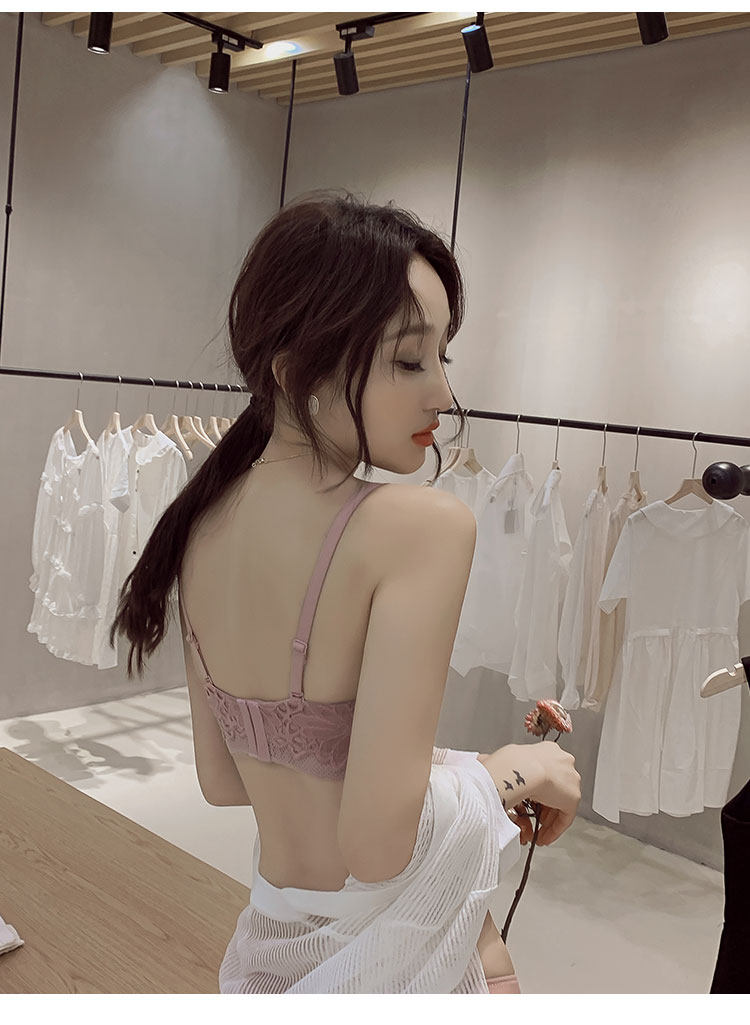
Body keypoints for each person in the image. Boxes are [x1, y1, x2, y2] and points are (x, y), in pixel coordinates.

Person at [109, 190, 581, 993]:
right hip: (405, 959)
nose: (443, 394)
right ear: (297, 370)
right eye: (409, 360)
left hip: (275, 948)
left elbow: (226, 780)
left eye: (443, 357)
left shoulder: (199, 525)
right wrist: (512, 770)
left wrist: (445, 766)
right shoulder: (420, 527)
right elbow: (378, 846)